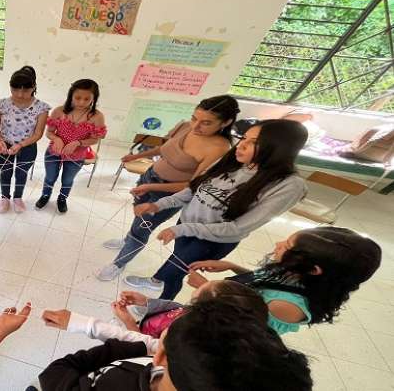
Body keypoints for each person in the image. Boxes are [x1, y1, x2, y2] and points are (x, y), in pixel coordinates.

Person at [131, 119, 309, 300]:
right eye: (244, 138)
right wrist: (157, 205)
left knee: (171, 272)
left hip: (214, 239)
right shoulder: (231, 160)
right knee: (175, 270)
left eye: (254, 143)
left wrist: (181, 229)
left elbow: (237, 227)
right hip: (186, 226)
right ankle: (162, 300)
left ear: (280, 148)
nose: (242, 145)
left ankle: (158, 300)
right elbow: (194, 189)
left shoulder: (288, 185)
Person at [97, 95, 239, 281]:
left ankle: (119, 263)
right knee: (138, 216)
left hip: (170, 194)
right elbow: (165, 148)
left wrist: (152, 186)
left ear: (226, 122)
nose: (195, 126)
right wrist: (136, 157)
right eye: (194, 118)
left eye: (206, 123)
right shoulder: (186, 127)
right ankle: (127, 240)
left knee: (143, 227)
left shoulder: (220, 148)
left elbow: (195, 185)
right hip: (149, 177)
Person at [36, 299, 312, 391]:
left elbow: (55, 374)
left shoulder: (120, 383)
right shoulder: (187, 367)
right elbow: (141, 343)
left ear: (162, 354)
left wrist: (115, 350)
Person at [189, 226, 382, 334]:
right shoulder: (294, 274)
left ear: (314, 269)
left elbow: (237, 323)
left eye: (288, 246)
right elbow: (266, 280)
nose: (278, 244)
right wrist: (232, 266)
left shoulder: (286, 305)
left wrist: (207, 288)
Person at [41, 279, 265, 355]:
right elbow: (174, 307)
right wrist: (145, 302)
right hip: (139, 331)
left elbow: (146, 349)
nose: (187, 305)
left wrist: (128, 322)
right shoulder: (189, 314)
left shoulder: (185, 340)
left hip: (135, 339)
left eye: (195, 301)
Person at [35, 79, 107, 213]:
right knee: (50, 177)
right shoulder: (59, 111)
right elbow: (49, 133)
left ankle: (62, 199)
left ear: (94, 98)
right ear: (71, 95)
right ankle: (45, 195)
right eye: (78, 98)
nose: (81, 102)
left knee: (67, 180)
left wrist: (78, 143)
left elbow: (95, 139)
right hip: (54, 152)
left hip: (77, 155)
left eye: (87, 99)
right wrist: (56, 139)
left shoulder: (97, 116)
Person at [0, 66, 50, 213]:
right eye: (15, 89)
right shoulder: (0, 105)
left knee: (21, 173)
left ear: (34, 87)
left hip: (28, 147)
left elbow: (38, 134)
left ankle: (18, 197)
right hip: (4, 145)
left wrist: (21, 145)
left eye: (25, 90)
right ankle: (5, 198)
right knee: (5, 172)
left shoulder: (41, 108)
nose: (20, 94)